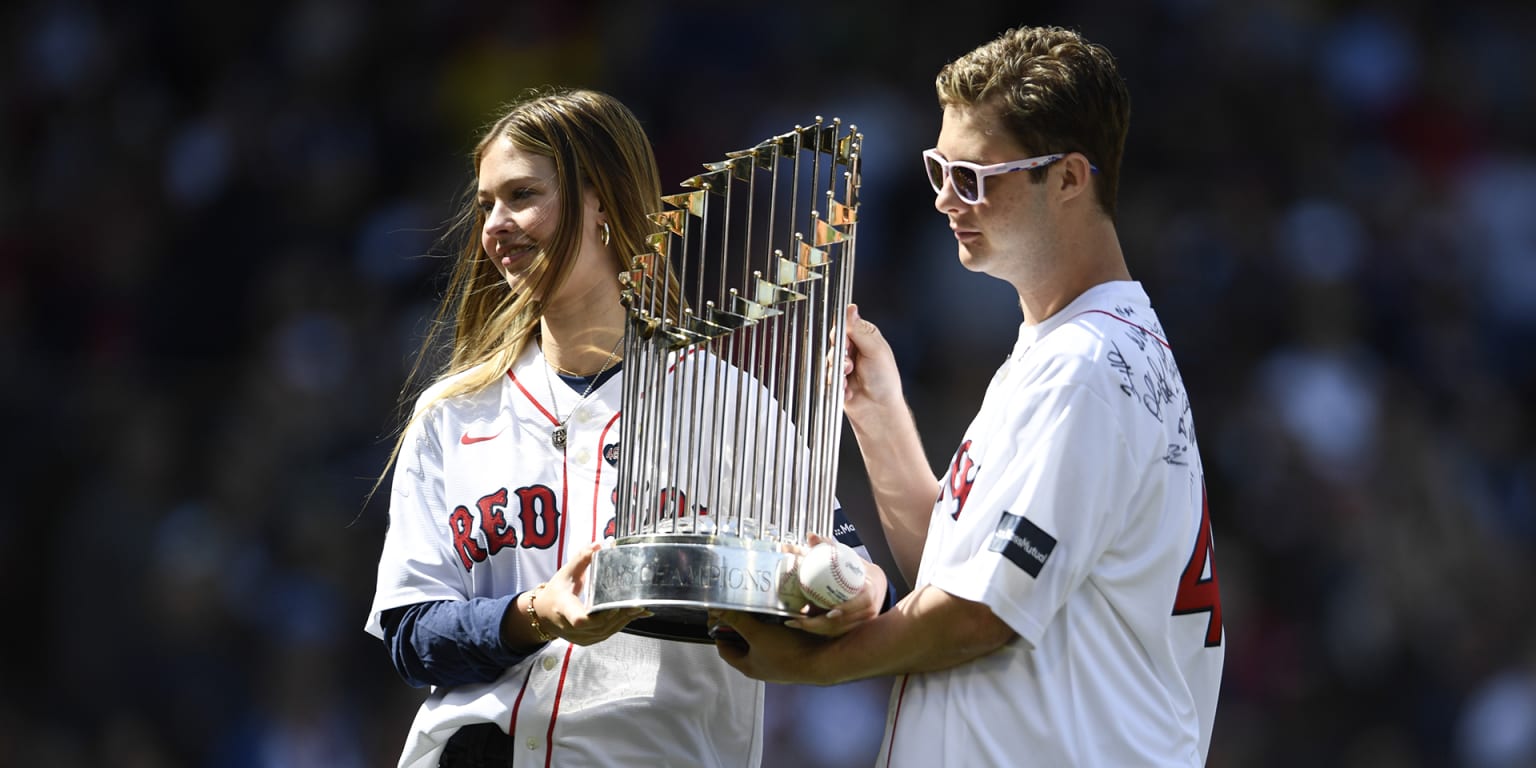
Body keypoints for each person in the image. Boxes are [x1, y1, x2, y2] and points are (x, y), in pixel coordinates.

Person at [710, 26, 1225, 767]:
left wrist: (811, 664)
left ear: (1071, 178)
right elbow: (958, 577)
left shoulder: (1085, 364)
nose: (947, 199)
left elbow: (983, 614)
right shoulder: (1064, 347)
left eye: (975, 177)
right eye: (938, 169)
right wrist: (880, 415)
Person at [363, 87, 886, 768]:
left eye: (521, 195)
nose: (495, 224)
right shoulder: (452, 413)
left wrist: (851, 590)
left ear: (602, 201)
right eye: (487, 201)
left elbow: (853, 578)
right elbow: (411, 635)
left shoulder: (725, 404)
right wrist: (535, 614)